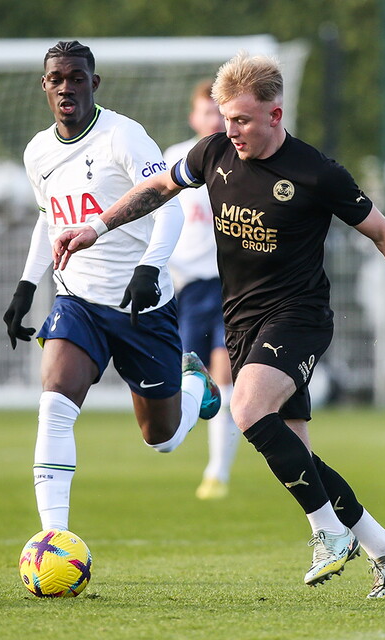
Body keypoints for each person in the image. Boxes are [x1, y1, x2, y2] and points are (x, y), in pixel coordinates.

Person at [52, 52, 385, 599]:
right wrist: (97, 227)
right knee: (298, 454)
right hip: (241, 319)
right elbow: (157, 192)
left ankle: (327, 533)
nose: (231, 130)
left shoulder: (317, 173)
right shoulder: (215, 152)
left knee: (246, 410)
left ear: (275, 114)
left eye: (242, 120)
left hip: (299, 317)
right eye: (225, 118)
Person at [3, 41, 221, 534]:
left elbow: (168, 204)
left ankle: (193, 382)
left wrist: (150, 266)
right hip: (77, 299)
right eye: (57, 78)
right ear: (45, 86)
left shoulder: (124, 136)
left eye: (76, 78)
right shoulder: (37, 152)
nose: (66, 87)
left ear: (92, 84)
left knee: (160, 438)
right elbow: (47, 221)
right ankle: (52, 539)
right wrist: (24, 286)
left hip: (143, 305)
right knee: (54, 404)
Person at [163, 80, 240, 501]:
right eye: (205, 111)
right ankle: (199, 442)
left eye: (219, 112)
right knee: (195, 375)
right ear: (193, 117)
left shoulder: (241, 157)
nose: (213, 119)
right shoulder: (175, 159)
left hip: (231, 285)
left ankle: (217, 471)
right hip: (188, 287)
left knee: (224, 372)